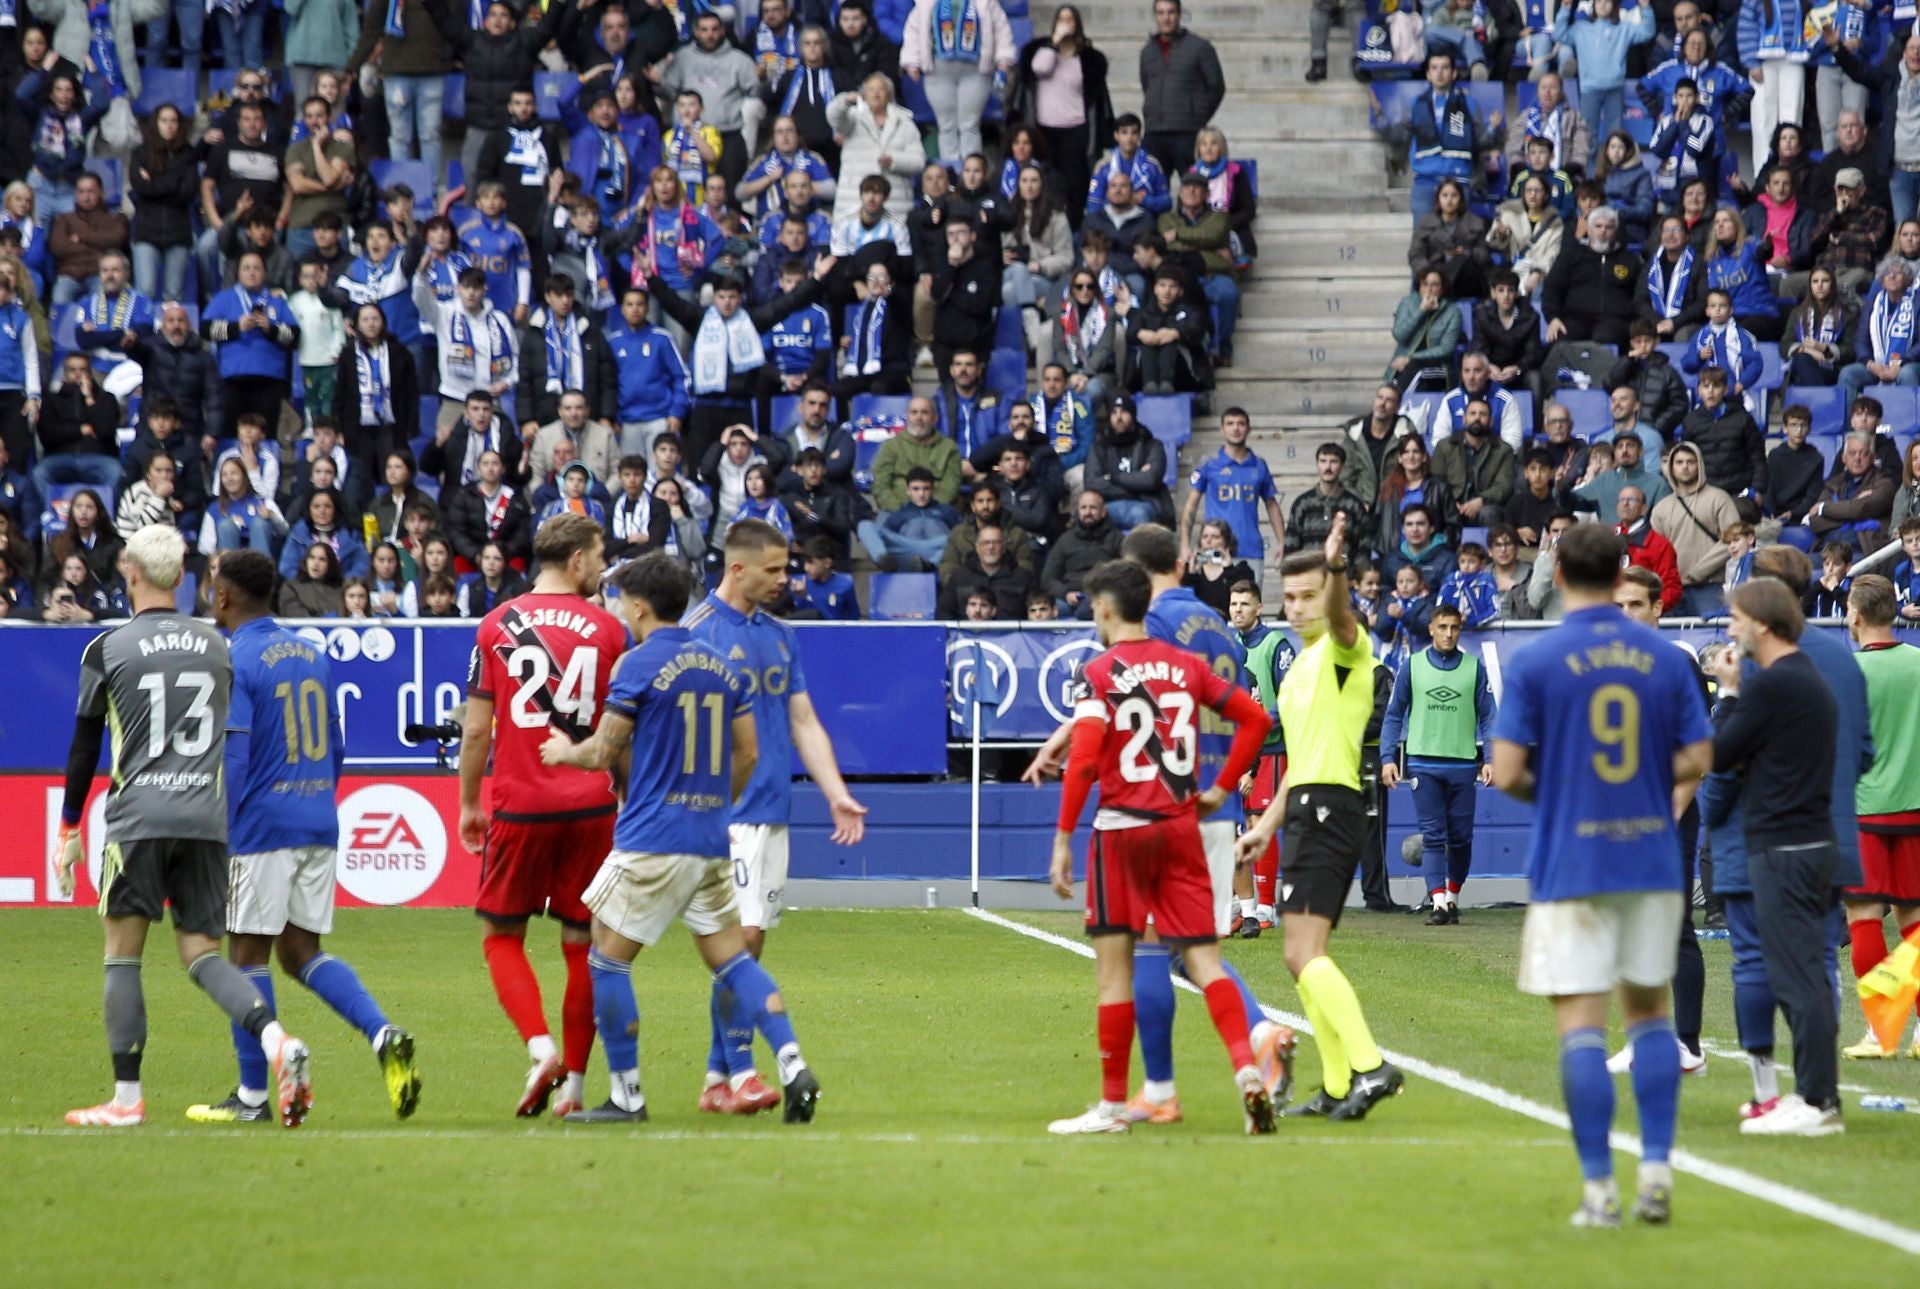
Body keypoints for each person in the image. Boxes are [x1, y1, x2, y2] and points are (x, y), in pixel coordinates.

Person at [1488, 521, 1712, 1224]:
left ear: (1555, 574)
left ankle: (1598, 1191)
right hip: (1649, 855)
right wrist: (1646, 785)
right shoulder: (1668, 656)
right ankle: (1655, 1173)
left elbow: (1508, 770)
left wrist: (1558, 790)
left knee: (1581, 1024)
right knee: (1651, 1016)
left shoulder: (1536, 658)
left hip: (1571, 860)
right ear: (1623, 573)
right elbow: (1700, 754)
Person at [52, 526, 313, 1129]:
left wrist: (69, 828)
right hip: (204, 816)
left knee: (122, 958)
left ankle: (125, 1100)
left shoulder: (107, 648)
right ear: (182, 578)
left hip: (139, 817)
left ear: (133, 572)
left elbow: (84, 747)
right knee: (201, 954)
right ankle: (277, 1042)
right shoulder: (218, 645)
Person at [180, 549, 419, 1124]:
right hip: (317, 819)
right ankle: (382, 1032)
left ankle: (254, 1095)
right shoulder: (312, 652)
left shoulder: (235, 657)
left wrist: (223, 828)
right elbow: (337, 746)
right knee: (300, 951)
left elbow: (234, 755)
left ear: (222, 596)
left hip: (261, 826)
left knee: (244, 955)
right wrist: (316, 799)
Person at [1042, 558, 1276, 1135]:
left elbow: (1085, 760)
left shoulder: (1097, 671)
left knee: (1115, 971)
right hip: (1179, 829)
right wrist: (1221, 789)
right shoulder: (1185, 666)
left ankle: (1113, 1106)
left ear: (1103, 608)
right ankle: (1246, 1069)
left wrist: (1061, 841)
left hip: (1121, 830)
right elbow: (1254, 718)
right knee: (1204, 960)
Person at [683, 520, 866, 1108]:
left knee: (750, 949)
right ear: (738, 570)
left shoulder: (782, 636)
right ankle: (741, 1076)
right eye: (775, 570)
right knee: (742, 942)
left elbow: (803, 720)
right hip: (722, 812)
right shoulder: (697, 634)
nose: (785, 580)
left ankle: (717, 1079)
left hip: (772, 810)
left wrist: (834, 791)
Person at [1236, 512, 1407, 1119]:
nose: (1301, 606)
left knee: (1304, 952)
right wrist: (1263, 827)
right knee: (1298, 953)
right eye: (1293, 597)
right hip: (1307, 803)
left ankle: (1370, 1065)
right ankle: (1338, 1084)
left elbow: (1342, 617)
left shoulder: (1344, 651)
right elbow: (1302, 760)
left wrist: (1336, 563)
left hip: (1333, 807)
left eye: (1311, 595)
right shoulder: (1299, 670)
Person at [458, 514, 628, 1122]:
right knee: (583, 946)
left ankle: (540, 1048)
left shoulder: (497, 625)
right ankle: (576, 1088)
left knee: (502, 936)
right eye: (600, 554)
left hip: (523, 806)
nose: (603, 566)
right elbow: (620, 728)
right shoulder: (610, 629)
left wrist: (470, 802)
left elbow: (478, 729)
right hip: (591, 806)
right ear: (577, 560)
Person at [1705, 579, 1845, 1136]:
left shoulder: (1772, 686)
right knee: (1806, 972)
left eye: (1737, 618)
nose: (1731, 629)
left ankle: (1816, 1101)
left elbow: (1720, 754)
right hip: (1809, 843)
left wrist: (1730, 692)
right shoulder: (1806, 678)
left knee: (1797, 976)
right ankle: (1818, 1095)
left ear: (1762, 623)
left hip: (1784, 849)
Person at [1840, 575, 1920, 1058]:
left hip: (1865, 810)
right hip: (1915, 807)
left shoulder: (1849, 673)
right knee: (1913, 920)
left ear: (1856, 614)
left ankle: (1881, 1031)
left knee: (1865, 917)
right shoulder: (1919, 663)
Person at [1380, 601, 1495, 924]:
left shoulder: (1474, 668)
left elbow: (1489, 717)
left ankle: (1453, 896)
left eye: (1454, 627)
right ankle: (1439, 903)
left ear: (1460, 630)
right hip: (1422, 763)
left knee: (1461, 838)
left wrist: (1491, 758)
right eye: (1442, 627)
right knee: (1433, 836)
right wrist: (1388, 758)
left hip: (1462, 764)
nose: (1448, 633)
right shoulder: (1412, 666)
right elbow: (1393, 716)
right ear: (1431, 629)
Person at [202, 252, 300, 438]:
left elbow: (295, 335)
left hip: (269, 380)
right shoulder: (224, 299)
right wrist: (236, 327)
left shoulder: (276, 302)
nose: (252, 272)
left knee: (266, 434)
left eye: (257, 268)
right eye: (246, 268)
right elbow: (205, 329)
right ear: (238, 272)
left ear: (264, 273)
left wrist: (270, 329)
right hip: (233, 379)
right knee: (230, 433)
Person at [1138, 0, 1223, 177]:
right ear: (1155, 16)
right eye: (1161, 13)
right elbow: (1147, 86)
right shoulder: (1147, 52)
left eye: (1170, 12)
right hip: (1154, 132)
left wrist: (1197, 115)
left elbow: (1216, 86)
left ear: (1179, 14)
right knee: (1151, 190)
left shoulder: (1200, 47)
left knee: (1194, 188)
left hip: (1188, 132)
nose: (1166, 18)